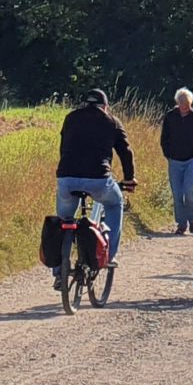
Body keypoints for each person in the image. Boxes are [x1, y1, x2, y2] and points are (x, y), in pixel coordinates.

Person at [54, 89, 136, 263]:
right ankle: (107, 256)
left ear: (84, 104)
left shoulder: (70, 118)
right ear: (105, 106)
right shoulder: (112, 121)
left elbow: (63, 148)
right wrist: (129, 179)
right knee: (115, 203)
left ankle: (59, 269)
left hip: (67, 177)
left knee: (64, 219)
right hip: (98, 179)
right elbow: (125, 152)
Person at [158, 88, 193, 234]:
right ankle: (181, 224)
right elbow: (164, 138)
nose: (184, 105)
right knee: (177, 193)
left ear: (190, 102)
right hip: (174, 161)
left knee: (189, 191)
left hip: (191, 161)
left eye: (186, 103)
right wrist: (168, 154)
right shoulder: (170, 116)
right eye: (181, 103)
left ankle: (192, 221)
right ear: (177, 102)